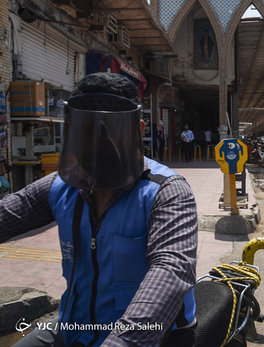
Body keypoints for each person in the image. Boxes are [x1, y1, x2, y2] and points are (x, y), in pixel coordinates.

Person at [1, 73, 198, 346]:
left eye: (108, 128)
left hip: (153, 335)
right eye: (86, 128)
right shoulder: (60, 186)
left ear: (137, 129)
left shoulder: (166, 192)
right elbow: (10, 213)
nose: (95, 140)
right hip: (74, 325)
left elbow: (171, 271)